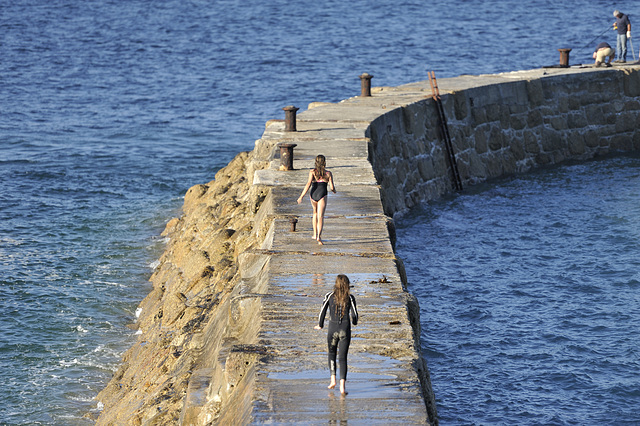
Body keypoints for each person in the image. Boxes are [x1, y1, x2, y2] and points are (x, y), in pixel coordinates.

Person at [314, 274, 358, 396]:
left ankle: (332, 380)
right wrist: (354, 323)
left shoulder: (329, 296)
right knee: (343, 358)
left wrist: (320, 325)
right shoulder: (350, 297)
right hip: (345, 329)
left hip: (332, 329)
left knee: (331, 354)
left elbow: (322, 311)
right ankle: (342, 388)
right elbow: (354, 316)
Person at [297, 154, 336, 245]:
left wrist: (301, 196)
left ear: (316, 162)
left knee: (314, 213)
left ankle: (314, 234)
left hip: (313, 194)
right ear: (324, 163)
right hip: (322, 195)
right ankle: (319, 236)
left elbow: (308, 185)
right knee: (321, 216)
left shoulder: (312, 172)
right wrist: (334, 191)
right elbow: (332, 187)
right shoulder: (328, 173)